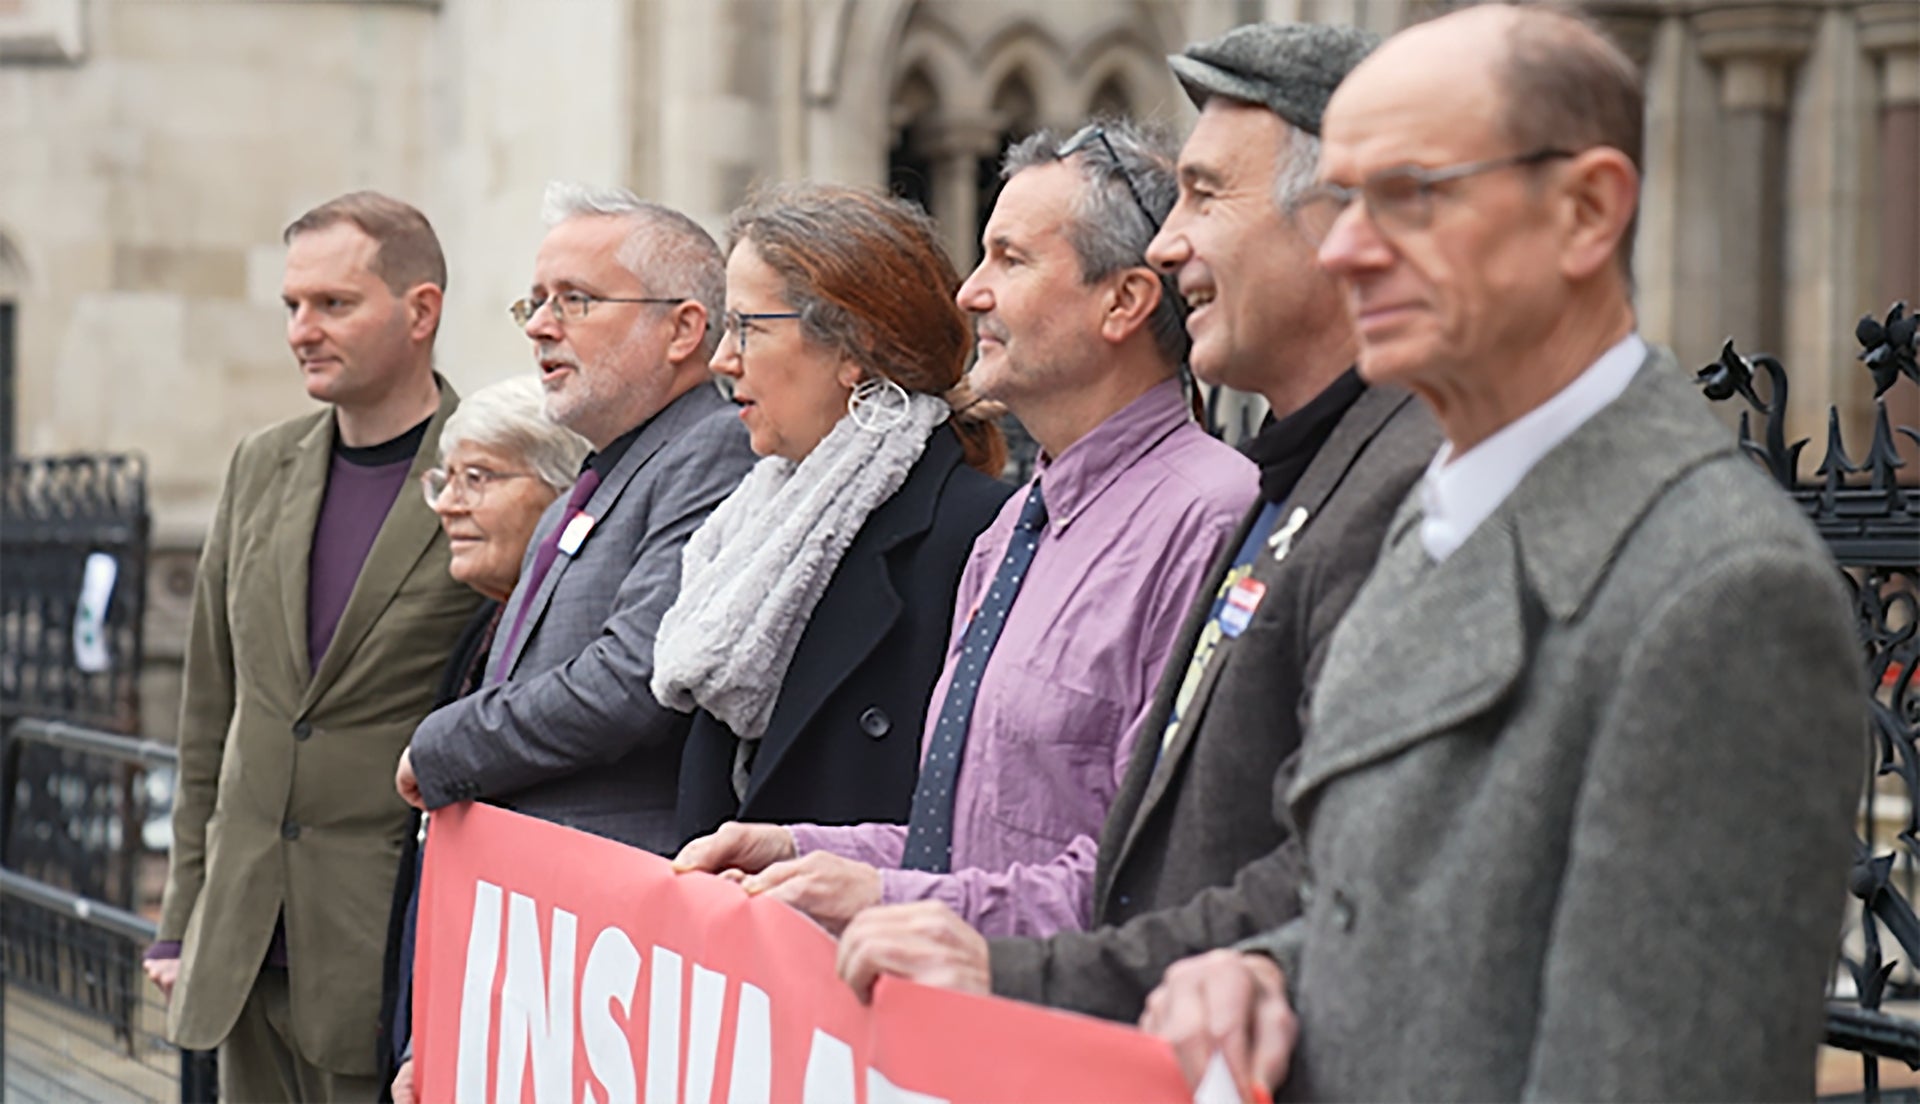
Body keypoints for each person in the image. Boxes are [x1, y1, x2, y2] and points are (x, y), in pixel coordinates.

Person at [1140, 7, 1865, 1099]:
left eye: (1409, 196)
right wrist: (1261, 974)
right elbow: (1426, 927)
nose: (1343, 246)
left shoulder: (1723, 593)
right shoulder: (1451, 507)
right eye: (1344, 199)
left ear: (1585, 211)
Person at [834, 20, 1440, 1024]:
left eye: (1207, 195)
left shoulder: (1228, 506)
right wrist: (832, 858)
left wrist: (945, 926)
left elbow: (1251, 874)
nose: (968, 293)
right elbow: (988, 831)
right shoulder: (1023, 525)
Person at [675, 121, 1258, 940]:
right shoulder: (1019, 524)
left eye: (1011, 259)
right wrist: (798, 851)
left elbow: (1156, 882)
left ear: (1124, 301)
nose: (969, 292)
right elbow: (965, 842)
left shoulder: (1214, 520)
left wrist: (887, 900)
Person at [147, 191, 482, 1102]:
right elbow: (212, 711)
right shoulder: (262, 463)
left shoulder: (486, 475)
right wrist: (182, 920)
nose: (302, 329)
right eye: (293, 306)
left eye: (333, 304)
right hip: (241, 947)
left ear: (421, 312)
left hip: (382, 957)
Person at [396, 183, 755, 855]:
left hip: (611, 903)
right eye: (535, 303)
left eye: (575, 300)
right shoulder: (593, 482)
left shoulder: (713, 445)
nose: (539, 326)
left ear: (682, 328)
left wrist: (445, 742)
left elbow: (633, 679)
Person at [658, 184, 1010, 843]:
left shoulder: (973, 532)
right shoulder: (750, 522)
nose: (720, 360)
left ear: (854, 346)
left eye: (746, 328)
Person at [379, 374, 588, 1104]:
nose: (449, 504)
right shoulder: (480, 632)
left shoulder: (569, 657)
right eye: (446, 478)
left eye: (480, 477)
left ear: (565, 496)